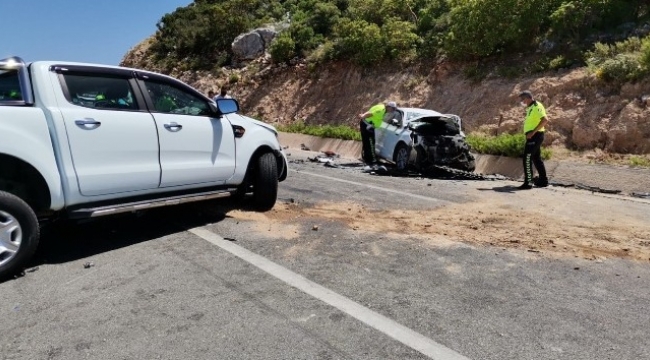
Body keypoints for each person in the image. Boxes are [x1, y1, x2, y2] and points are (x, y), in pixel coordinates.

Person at [518, 90, 549, 190]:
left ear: (528, 98)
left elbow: (545, 120)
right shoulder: (530, 107)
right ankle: (543, 181)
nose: (523, 102)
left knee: (527, 158)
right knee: (536, 158)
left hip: (535, 136)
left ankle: (528, 182)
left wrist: (533, 132)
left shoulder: (537, 106)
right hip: (533, 136)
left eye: (523, 100)